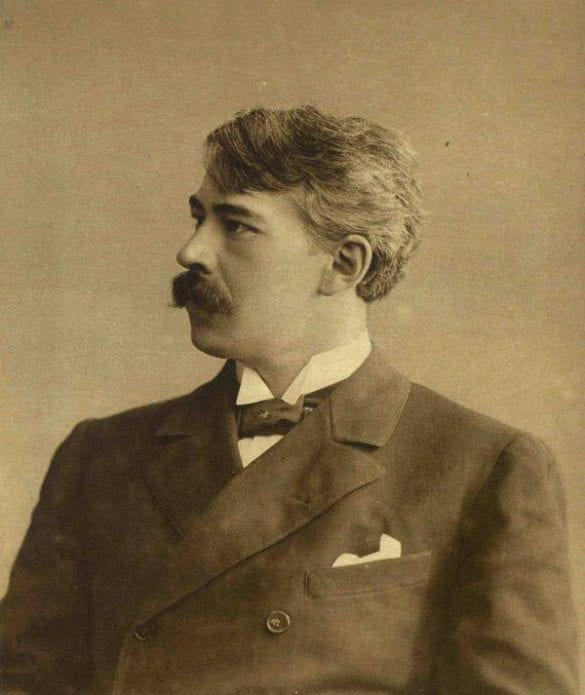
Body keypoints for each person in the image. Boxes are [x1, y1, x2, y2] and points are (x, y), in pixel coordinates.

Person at [0, 106, 579, 694]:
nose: (191, 252)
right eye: (198, 218)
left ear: (344, 264)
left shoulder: (482, 465)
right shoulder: (101, 456)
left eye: (236, 226)